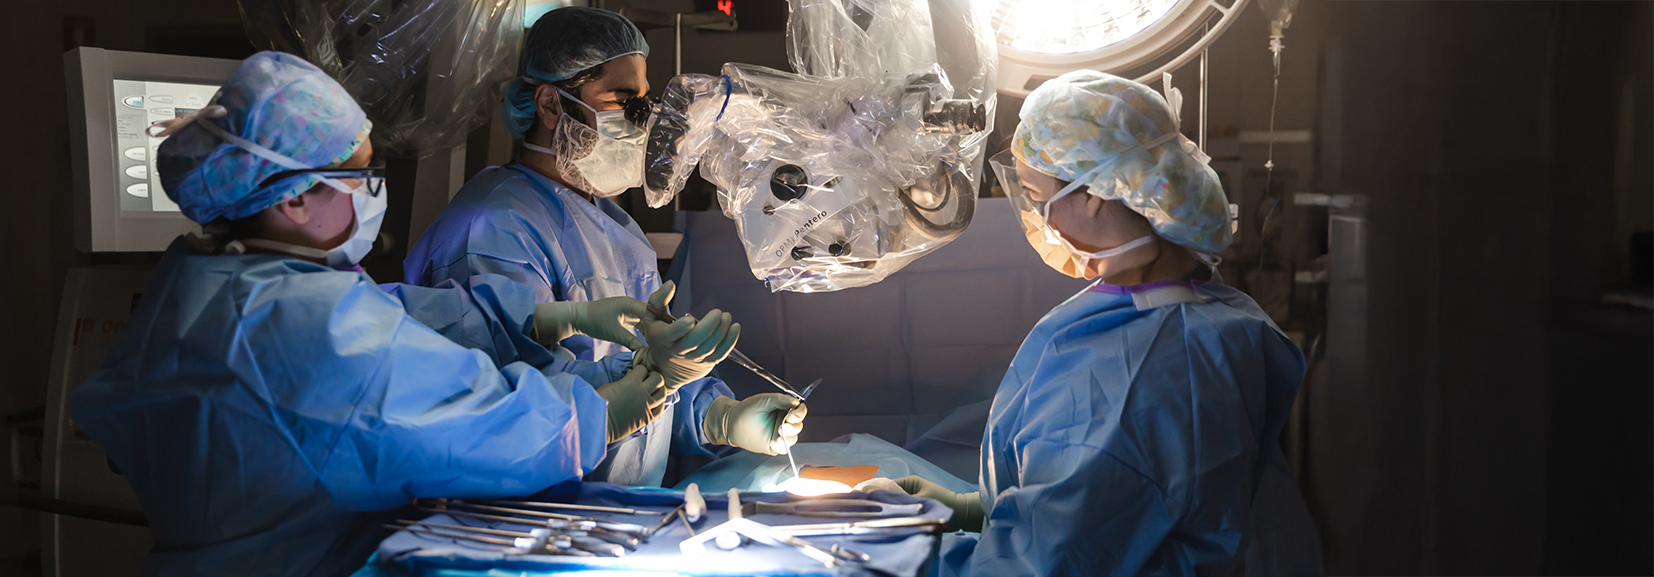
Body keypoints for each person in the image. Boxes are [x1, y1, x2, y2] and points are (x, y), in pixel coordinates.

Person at [71, 52, 681, 577]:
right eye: (360, 174)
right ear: (294, 198)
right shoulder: (301, 329)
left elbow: (399, 320)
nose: (373, 187)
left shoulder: (211, 278)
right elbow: (471, 428)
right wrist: (603, 411)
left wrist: (550, 318)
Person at [857, 70, 1324, 576]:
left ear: (1096, 193)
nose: (1038, 219)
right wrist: (966, 509)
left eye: (1038, 197)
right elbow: (1103, 508)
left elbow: (1048, 565)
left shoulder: (1131, 374)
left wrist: (876, 556)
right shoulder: (1209, 315)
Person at [403, 6, 805, 487]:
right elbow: (513, 403)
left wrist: (720, 416)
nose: (643, 121)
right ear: (552, 105)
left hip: (620, 510)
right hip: (535, 516)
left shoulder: (617, 228)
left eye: (645, 101)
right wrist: (654, 375)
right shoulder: (492, 228)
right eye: (623, 101)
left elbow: (654, 397)